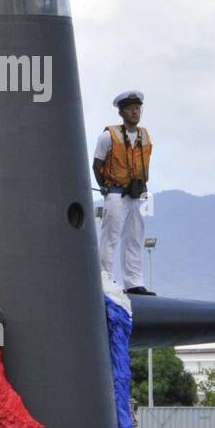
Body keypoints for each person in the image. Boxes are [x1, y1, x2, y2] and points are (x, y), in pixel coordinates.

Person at [93, 90, 153, 294]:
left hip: (137, 194)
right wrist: (106, 190)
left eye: (138, 109)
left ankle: (134, 282)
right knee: (110, 237)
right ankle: (105, 280)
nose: (135, 112)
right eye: (131, 109)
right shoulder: (108, 136)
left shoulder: (144, 136)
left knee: (135, 237)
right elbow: (96, 165)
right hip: (116, 193)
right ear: (122, 112)